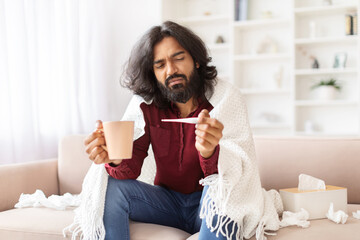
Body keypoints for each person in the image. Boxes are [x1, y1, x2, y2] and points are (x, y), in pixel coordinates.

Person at [79, 21, 282, 240]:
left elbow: (234, 174)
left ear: (195, 60)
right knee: (113, 186)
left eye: (178, 58)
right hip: (166, 204)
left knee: (221, 190)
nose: (171, 70)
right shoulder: (145, 106)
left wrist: (209, 152)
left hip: (208, 202)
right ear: (153, 73)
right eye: (160, 65)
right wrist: (114, 159)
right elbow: (130, 169)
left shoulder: (225, 99)